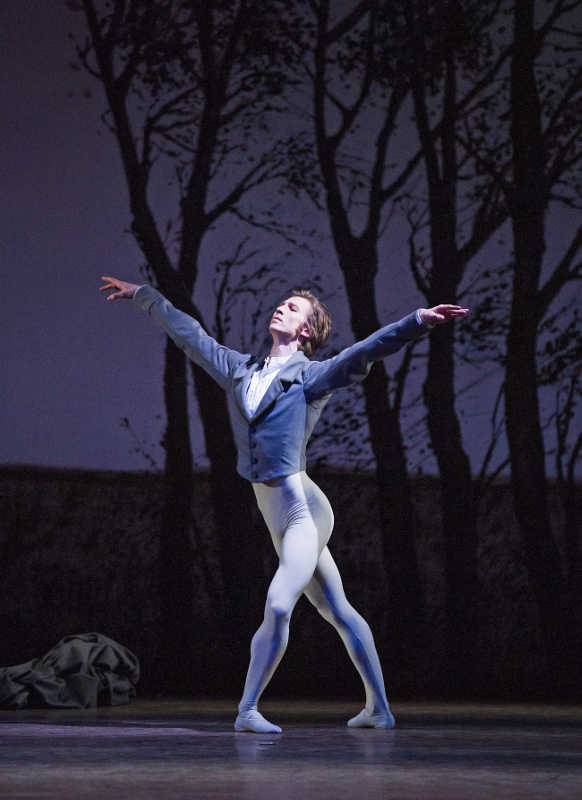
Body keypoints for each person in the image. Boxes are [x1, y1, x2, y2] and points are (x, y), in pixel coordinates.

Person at [100, 275, 468, 733]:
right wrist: (144, 296)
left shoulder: (310, 378)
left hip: (302, 512)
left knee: (278, 605)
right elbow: (191, 336)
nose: (282, 309)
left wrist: (418, 321)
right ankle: (380, 709)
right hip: (274, 513)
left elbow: (364, 352)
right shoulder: (239, 369)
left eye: (294, 309)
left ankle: (247, 710)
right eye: (283, 304)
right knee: (338, 610)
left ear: (307, 332)